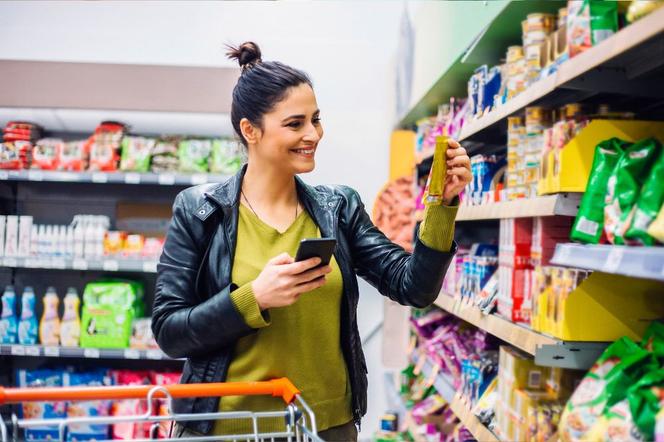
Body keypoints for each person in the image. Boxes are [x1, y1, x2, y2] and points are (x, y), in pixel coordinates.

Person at [152, 41, 472, 441]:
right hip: (229, 428)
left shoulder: (338, 207)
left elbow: (413, 287)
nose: (313, 134)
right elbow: (169, 330)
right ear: (250, 130)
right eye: (295, 123)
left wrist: (442, 206)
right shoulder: (200, 211)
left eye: (316, 120)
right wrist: (254, 298)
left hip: (327, 428)